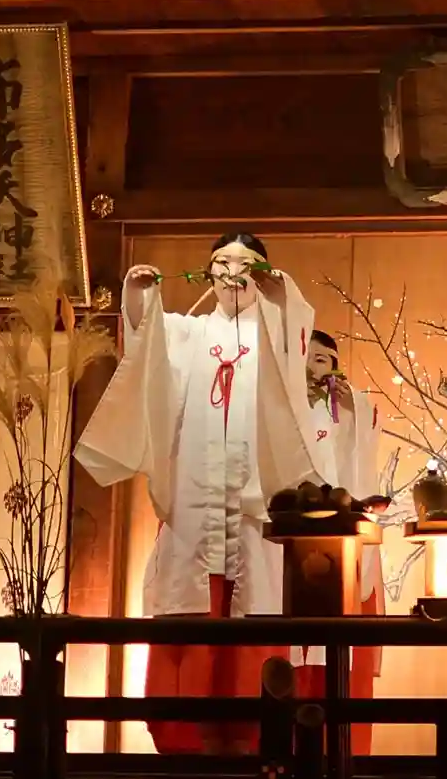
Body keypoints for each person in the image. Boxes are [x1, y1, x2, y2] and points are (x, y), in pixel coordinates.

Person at [74, 232, 325, 755]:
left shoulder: (273, 330)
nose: (233, 273)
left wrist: (278, 293)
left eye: (246, 264)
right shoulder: (187, 332)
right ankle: (182, 741)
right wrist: (140, 295)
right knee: (191, 609)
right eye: (222, 263)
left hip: (251, 502)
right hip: (195, 497)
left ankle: (255, 737)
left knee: (253, 605)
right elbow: (146, 342)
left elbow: (296, 325)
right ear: (208, 273)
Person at [289, 329, 385, 756]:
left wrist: (351, 413)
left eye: (321, 359)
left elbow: (363, 458)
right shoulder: (280, 407)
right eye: (304, 357)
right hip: (294, 539)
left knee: (342, 663)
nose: (312, 367)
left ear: (335, 366)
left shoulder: (352, 405)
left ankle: (344, 752)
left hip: (341, 541)